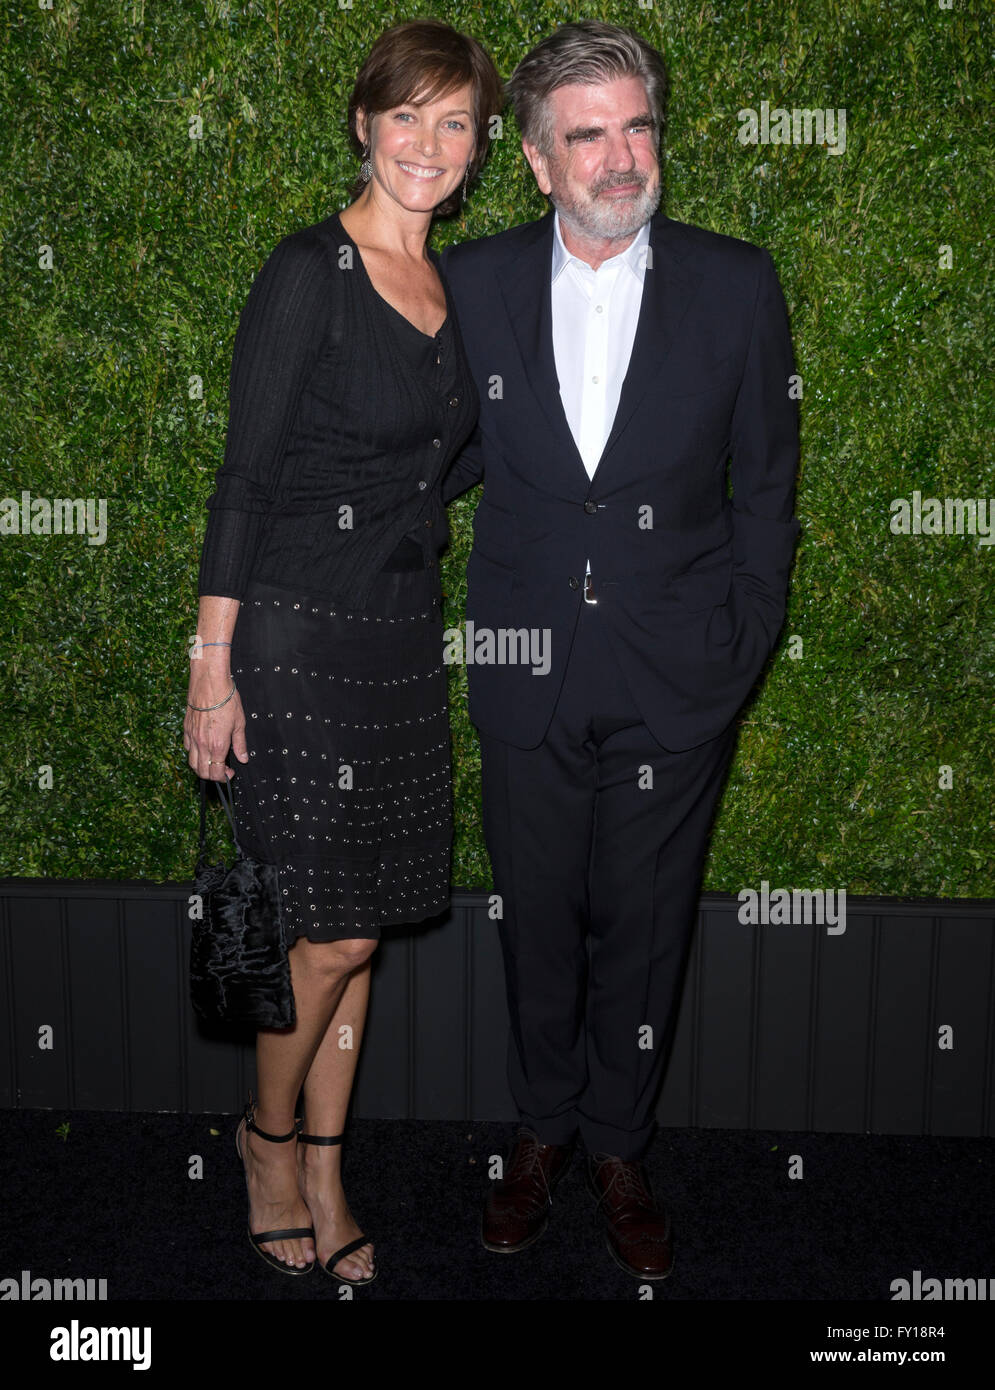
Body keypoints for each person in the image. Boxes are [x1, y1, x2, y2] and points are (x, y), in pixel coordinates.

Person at [441, 20, 800, 1279]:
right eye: (584, 134)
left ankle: (617, 1146)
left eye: (635, 125)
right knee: (535, 918)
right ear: (536, 160)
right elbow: (427, 463)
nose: (617, 156)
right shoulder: (472, 285)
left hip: (674, 678)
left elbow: (767, 484)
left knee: (645, 927)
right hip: (526, 663)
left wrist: (740, 643)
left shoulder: (735, 282)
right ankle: (540, 1133)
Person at [185, 19, 502, 1281]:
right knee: (318, 934)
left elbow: (459, 453)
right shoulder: (306, 271)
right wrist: (210, 666)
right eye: (407, 115)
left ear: (479, 148)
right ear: (363, 125)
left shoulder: (457, 291)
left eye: (456, 121)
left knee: (361, 930)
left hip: (400, 645)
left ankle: (327, 1158)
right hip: (294, 641)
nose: (429, 143)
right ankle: (269, 1145)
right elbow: (242, 477)